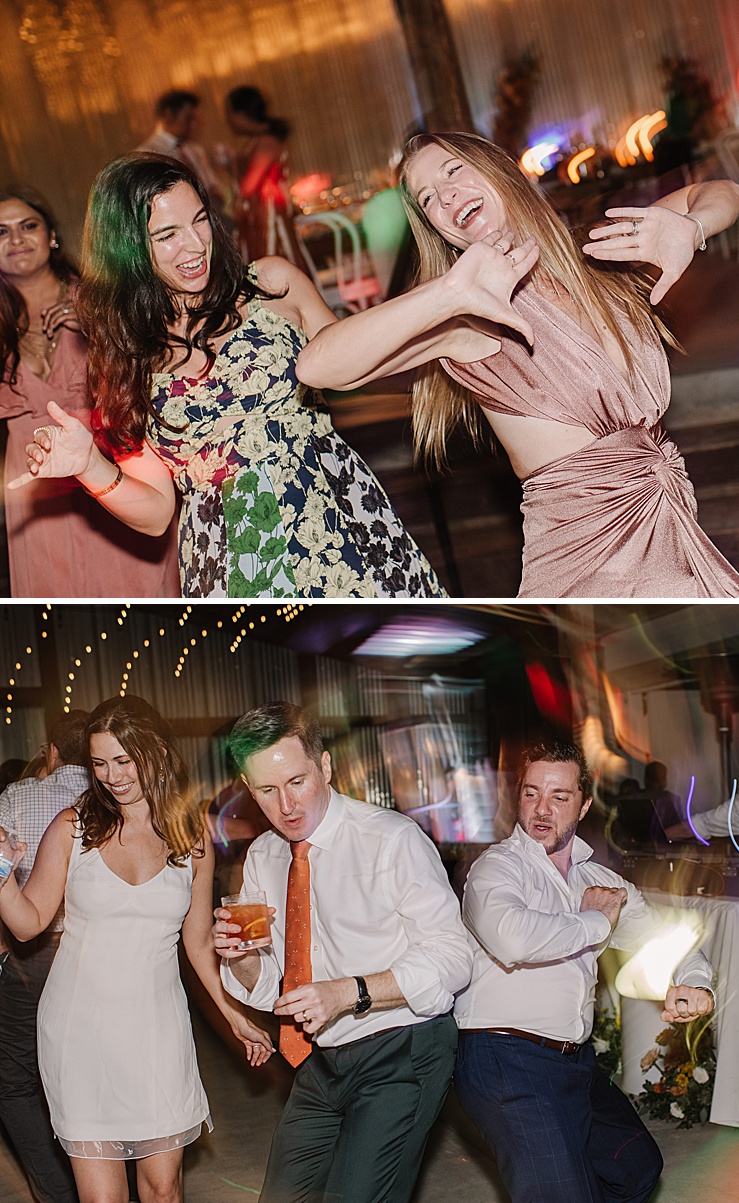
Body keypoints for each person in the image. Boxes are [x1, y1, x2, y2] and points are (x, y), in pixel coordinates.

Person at [291, 131, 739, 598]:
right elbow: (317, 367)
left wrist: (691, 228)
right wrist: (449, 292)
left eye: (453, 170)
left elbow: (725, 191)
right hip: (585, 565)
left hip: (674, 534)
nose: (446, 195)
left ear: (501, 170)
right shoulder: (468, 318)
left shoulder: (596, 257)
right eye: (428, 198)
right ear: (435, 228)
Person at [6, 154, 443, 597]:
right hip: (233, 560)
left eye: (200, 221)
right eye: (167, 235)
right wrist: (88, 466)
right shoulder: (127, 356)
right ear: (128, 249)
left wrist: (444, 320)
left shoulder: (272, 286)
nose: (195, 245)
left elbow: (353, 365)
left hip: (337, 524)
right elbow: (157, 513)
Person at [0, 697, 272, 1203]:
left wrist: (233, 1013)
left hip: (156, 1029)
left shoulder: (191, 839)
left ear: (159, 753)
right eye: (100, 763)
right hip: (78, 1029)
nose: (111, 776)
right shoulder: (72, 827)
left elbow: (195, 941)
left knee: (164, 1189)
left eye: (124, 760)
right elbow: (27, 923)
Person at [211, 702, 472, 1203]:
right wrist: (240, 957)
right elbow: (271, 982)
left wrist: (349, 992)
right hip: (321, 1057)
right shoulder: (264, 858)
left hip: (402, 1047)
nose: (286, 804)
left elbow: (452, 956)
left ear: (325, 766)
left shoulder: (391, 840)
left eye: (296, 781)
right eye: (266, 790)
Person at [456, 740, 714, 1203]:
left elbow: (667, 936)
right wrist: (596, 921)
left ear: (585, 804)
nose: (541, 809)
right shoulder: (496, 868)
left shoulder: (601, 882)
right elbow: (513, 939)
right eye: (532, 793)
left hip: (573, 1063)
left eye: (559, 797)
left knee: (636, 1168)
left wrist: (695, 981)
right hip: (504, 1057)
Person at [0, 184, 179, 596]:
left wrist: (98, 328)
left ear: (52, 236)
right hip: (34, 487)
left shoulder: (101, 300)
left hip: (110, 458)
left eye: (28, 226)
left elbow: (157, 361)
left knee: (136, 593)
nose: (16, 240)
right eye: (2, 232)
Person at [0, 711, 89, 1203]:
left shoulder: (16, 797)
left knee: (15, 1080)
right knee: (84, 1073)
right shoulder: (106, 799)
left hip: (31, 954)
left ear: (52, 751)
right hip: (91, 951)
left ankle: (58, 1192)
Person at [137, 90, 229, 214]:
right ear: (168, 115)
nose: (193, 124)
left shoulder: (194, 149)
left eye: (195, 119)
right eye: (188, 118)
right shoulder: (147, 154)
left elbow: (211, 184)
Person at [227, 86, 292, 259]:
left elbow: (249, 186)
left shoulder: (266, 142)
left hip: (269, 217)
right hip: (261, 218)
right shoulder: (258, 141)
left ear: (241, 114)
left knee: (274, 268)